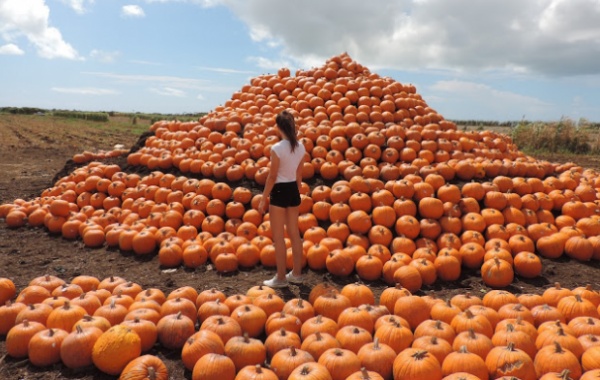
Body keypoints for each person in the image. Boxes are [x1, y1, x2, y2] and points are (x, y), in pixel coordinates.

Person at [259, 110, 306, 288]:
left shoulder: (277, 148)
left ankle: (280, 278)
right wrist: (298, 189)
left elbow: (272, 177)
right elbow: (299, 173)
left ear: (278, 127)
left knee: (279, 238)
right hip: (293, 189)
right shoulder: (301, 146)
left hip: (279, 191)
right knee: (294, 234)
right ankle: (297, 274)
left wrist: (263, 198)